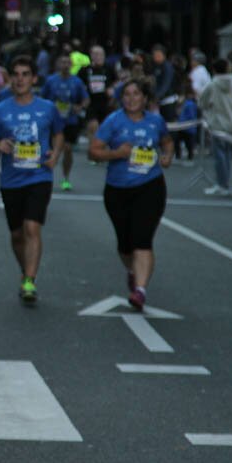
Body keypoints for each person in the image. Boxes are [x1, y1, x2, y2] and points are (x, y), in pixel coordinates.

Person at [0, 56, 64, 303]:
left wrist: (55, 155)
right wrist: (0, 144)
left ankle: (30, 280)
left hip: (39, 176)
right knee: (17, 234)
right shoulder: (1, 109)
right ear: (10, 79)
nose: (20, 79)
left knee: (32, 227)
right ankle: (25, 271)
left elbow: (59, 133)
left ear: (34, 78)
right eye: (16, 74)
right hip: (11, 180)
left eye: (25, 74)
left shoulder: (47, 108)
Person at [89, 80, 173, 311]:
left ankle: (140, 290)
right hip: (118, 189)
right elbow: (93, 151)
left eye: (136, 94)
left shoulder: (155, 121)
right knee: (125, 244)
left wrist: (167, 156)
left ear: (145, 98)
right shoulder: (113, 121)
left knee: (142, 239)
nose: (131, 98)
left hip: (150, 186)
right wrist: (117, 153)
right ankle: (131, 270)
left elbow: (167, 142)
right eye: (127, 94)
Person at [40, 54, 88, 191]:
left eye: (68, 62)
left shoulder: (77, 82)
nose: (65, 65)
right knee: (51, 150)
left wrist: (80, 107)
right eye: (63, 62)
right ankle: (44, 177)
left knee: (67, 150)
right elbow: (41, 98)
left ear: (71, 65)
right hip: (53, 121)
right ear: (58, 65)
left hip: (70, 120)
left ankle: (66, 178)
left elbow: (85, 99)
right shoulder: (51, 80)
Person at [198, 59, 232, 196]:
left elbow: (202, 102)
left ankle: (222, 184)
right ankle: (225, 182)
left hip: (218, 122)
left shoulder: (213, 85)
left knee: (219, 155)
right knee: (227, 154)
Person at [79, 45, 116, 140]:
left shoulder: (109, 69)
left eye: (100, 54)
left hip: (106, 104)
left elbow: (117, 82)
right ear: (91, 55)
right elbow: (78, 85)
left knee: (105, 130)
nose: (98, 56)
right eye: (95, 54)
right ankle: (92, 149)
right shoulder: (85, 70)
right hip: (91, 103)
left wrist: (112, 89)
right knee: (93, 126)